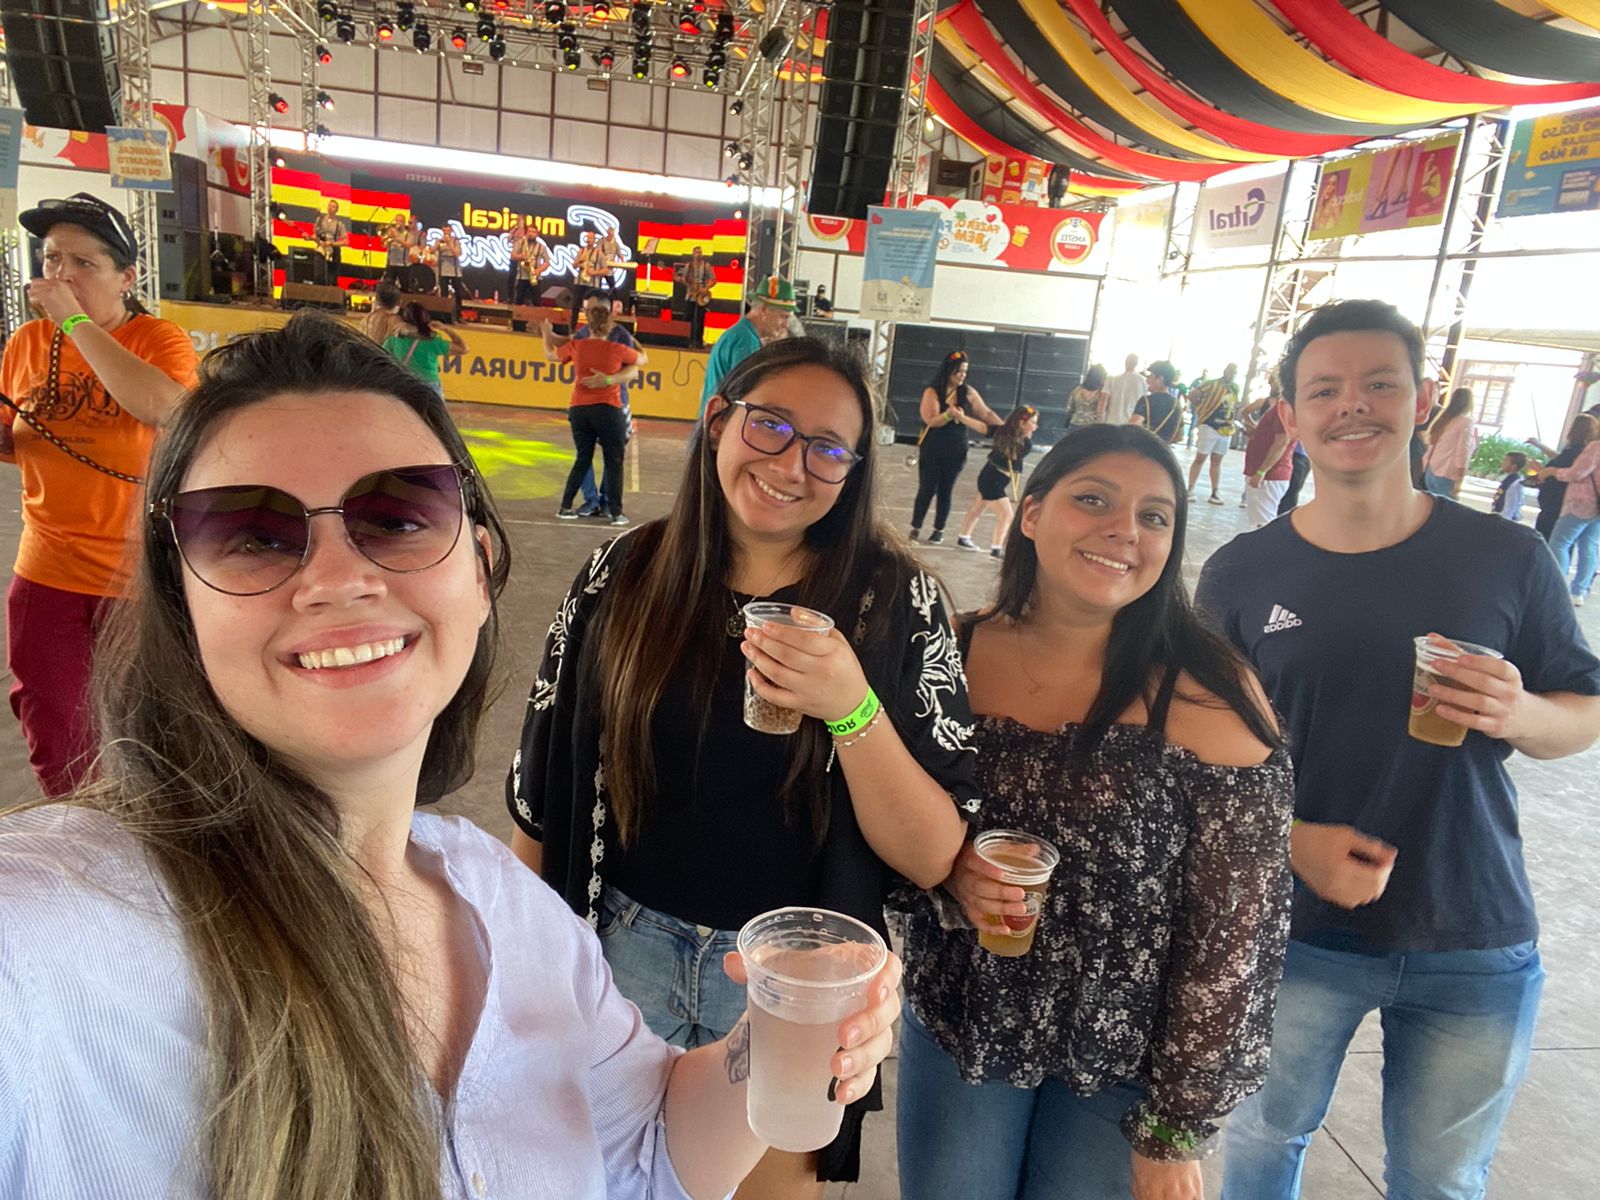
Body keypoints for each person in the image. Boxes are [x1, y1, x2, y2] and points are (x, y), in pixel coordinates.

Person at [0, 314, 902, 1199]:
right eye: (249, 535)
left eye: (396, 517)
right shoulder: (47, 943)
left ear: (480, 567)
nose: (337, 577)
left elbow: (650, 1150)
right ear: (179, 597)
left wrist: (775, 1036)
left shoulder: (510, 914)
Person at [507, 337, 980, 1200]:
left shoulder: (895, 600)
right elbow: (543, 797)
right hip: (619, 955)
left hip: (793, 985)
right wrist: (520, 977)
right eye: (770, 426)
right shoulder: (625, 573)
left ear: (855, 470)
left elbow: (932, 853)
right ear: (719, 421)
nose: (791, 464)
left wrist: (851, 702)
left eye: (828, 448)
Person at [1197, 299, 1600, 1200]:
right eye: (1325, 389)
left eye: (1381, 384)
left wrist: (1522, 712)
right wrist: (1290, 840)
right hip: (1297, 929)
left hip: (1474, 925)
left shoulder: (1507, 556)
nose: (1355, 407)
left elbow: (1584, 710)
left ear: (1423, 400)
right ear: (1292, 417)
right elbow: (1196, 752)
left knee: (1444, 1178)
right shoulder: (1244, 573)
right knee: (1263, 1151)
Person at [897, 424, 1293, 1200]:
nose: (1125, 530)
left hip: (1120, 1061)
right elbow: (892, 830)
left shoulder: (1210, 691)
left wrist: (1177, 1127)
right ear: (1033, 512)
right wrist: (951, 882)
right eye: (1094, 500)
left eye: (1155, 516)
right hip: (963, 1018)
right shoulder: (950, 654)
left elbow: (1236, 938)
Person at [0, 192, 199, 797]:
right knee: (59, 736)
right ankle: (84, 854)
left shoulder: (158, 341)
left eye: (83, 263)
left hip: (140, 579)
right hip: (47, 574)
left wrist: (76, 324)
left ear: (126, 277)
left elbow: (166, 407)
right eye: (53, 259)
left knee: (157, 736)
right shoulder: (26, 346)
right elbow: (17, 440)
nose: (61, 274)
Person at [542, 296, 646, 526]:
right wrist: (635, 344)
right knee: (614, 459)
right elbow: (641, 361)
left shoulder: (579, 344)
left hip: (579, 408)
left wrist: (545, 335)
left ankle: (565, 506)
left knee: (582, 458)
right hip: (609, 407)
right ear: (609, 319)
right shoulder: (617, 345)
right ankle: (615, 512)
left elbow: (551, 354)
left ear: (588, 319)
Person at [910, 350, 1003, 544]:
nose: (962, 375)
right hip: (933, 447)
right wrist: (948, 415)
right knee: (927, 488)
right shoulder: (933, 391)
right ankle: (916, 526)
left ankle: (939, 529)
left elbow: (985, 412)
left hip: (956, 449)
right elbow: (931, 420)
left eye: (965, 371)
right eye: (959, 371)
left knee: (946, 489)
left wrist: (1004, 428)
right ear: (949, 370)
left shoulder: (967, 392)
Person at [699, 275, 796, 415]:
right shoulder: (746, 340)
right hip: (721, 425)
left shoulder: (741, 333)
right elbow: (745, 394)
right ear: (763, 310)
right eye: (783, 316)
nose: (785, 325)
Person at [956, 405, 1037, 556]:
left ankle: (963, 536)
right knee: (1006, 515)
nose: (1035, 427)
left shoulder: (1021, 441)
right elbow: (982, 427)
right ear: (1021, 423)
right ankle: (996, 548)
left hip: (993, 477)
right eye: (1033, 423)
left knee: (977, 509)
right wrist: (961, 417)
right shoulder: (1006, 434)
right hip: (992, 479)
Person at [1539, 426, 1600, 607]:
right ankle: (1579, 592)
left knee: (1560, 543)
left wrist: (1553, 472)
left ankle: (1556, 588)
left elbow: (1577, 473)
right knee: (1589, 545)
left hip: (1581, 502)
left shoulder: (1596, 447)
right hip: (1598, 507)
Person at [1532, 413, 1597, 542]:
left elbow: (1572, 473)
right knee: (1587, 544)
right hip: (1584, 505)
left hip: (1561, 504)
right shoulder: (1580, 451)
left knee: (1557, 543)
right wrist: (1540, 446)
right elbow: (1561, 459)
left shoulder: (1584, 451)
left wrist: (1545, 471)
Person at [382, 300, 466, 399]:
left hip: (403, 385)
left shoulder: (393, 339)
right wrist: (447, 329)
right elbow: (463, 349)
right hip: (429, 387)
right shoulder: (432, 341)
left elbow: (382, 361)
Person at [1184, 362, 1240, 504]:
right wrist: (1201, 409)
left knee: (1217, 461)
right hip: (1210, 425)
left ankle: (1215, 492)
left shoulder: (1234, 388)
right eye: (1230, 371)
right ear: (1225, 370)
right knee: (1200, 458)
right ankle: (1189, 489)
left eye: (1235, 372)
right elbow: (1192, 395)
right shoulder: (1211, 384)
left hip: (1225, 428)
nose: (1232, 374)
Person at [1241, 388, 1296, 529]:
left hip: (1269, 476)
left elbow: (1282, 441)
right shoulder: (1285, 408)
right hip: (1269, 473)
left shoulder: (1283, 408)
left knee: (1263, 523)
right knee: (1262, 520)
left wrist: (1261, 472)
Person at [1420, 385, 1477, 497]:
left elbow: (1429, 441)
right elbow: (1462, 451)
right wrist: (1460, 479)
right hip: (1446, 472)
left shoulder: (1444, 418)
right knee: (1447, 510)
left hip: (1431, 470)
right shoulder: (1465, 422)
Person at [1130, 361, 1183, 444]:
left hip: (1145, 451)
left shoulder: (1146, 400)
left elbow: (1134, 424)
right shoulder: (1177, 404)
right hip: (1164, 452)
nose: (1147, 380)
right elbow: (1179, 436)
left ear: (1160, 379)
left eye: (1150, 376)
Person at [684, 245, 716, 349]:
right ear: (693, 254)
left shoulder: (706, 266)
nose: (699, 254)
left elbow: (714, 280)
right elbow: (684, 279)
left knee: (700, 319)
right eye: (697, 252)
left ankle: (698, 342)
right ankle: (689, 341)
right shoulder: (688, 266)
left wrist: (706, 288)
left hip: (702, 296)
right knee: (689, 318)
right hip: (691, 295)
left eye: (700, 252)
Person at [361, 279, 412, 345]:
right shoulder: (392, 319)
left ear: (376, 300)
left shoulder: (367, 318)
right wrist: (426, 331)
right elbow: (407, 331)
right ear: (399, 302)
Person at [311, 199, 348, 286]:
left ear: (337, 210)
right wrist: (308, 238)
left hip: (333, 253)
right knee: (318, 276)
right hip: (320, 251)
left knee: (332, 278)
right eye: (329, 206)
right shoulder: (320, 220)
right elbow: (315, 236)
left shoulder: (339, 224)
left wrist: (331, 243)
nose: (331, 208)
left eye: (333, 206)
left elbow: (346, 241)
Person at [434, 225, 469, 316]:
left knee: (458, 294)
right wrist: (436, 245)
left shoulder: (455, 240)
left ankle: (458, 315)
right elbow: (431, 251)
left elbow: (458, 253)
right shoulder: (439, 240)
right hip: (443, 270)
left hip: (455, 271)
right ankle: (444, 314)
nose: (446, 233)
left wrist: (449, 243)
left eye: (448, 231)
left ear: (451, 231)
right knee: (444, 294)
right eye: (445, 231)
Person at [1105, 352, 1146, 425]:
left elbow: (1104, 401)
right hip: (1131, 422)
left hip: (1111, 421)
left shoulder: (1112, 379)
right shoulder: (1143, 381)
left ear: (1125, 362)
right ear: (1136, 364)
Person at [1064, 363, 1108, 428]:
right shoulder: (1102, 393)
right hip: (1092, 427)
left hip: (1075, 424)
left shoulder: (1077, 389)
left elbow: (1069, 408)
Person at [1491, 452, 1529, 523]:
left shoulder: (1515, 483)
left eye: (1506, 460)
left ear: (1514, 466)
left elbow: (1511, 505)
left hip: (1503, 519)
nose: (1503, 463)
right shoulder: (1508, 479)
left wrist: (1504, 521)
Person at [379, 213, 410, 287]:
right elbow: (383, 245)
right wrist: (387, 237)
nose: (398, 223)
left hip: (403, 264)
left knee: (404, 286)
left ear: (404, 222)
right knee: (388, 286)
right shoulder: (391, 232)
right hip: (391, 263)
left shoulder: (407, 233)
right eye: (397, 221)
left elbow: (408, 245)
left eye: (401, 221)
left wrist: (396, 237)